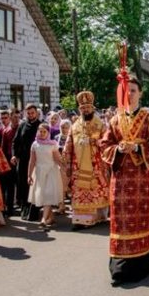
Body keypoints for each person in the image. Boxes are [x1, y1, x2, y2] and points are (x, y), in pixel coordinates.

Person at [100, 75, 149, 286]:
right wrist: (118, 149)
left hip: (143, 181)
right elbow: (104, 147)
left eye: (134, 90)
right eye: (125, 90)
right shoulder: (114, 120)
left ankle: (144, 258)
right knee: (122, 220)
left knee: (143, 217)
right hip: (121, 181)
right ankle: (121, 264)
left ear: (141, 93)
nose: (129, 94)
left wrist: (137, 147)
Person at [63, 91, 109, 230]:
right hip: (78, 166)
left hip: (96, 165)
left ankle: (98, 217)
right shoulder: (75, 125)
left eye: (88, 107)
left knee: (95, 191)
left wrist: (94, 141)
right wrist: (67, 163)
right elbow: (68, 144)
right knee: (79, 192)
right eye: (83, 108)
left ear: (92, 108)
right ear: (79, 109)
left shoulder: (100, 124)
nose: (85, 110)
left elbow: (107, 143)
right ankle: (80, 220)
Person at [28, 123, 64, 228]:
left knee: (48, 194)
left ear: (48, 132)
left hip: (51, 171)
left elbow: (58, 159)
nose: (42, 133)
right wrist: (29, 175)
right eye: (41, 131)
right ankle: (51, 218)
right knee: (43, 195)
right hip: (39, 171)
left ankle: (44, 219)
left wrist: (65, 167)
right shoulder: (35, 144)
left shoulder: (53, 144)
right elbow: (32, 161)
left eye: (44, 131)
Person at [12, 104, 42, 221]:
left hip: (37, 161)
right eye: (28, 113)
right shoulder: (22, 125)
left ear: (37, 113)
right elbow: (16, 141)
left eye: (32, 113)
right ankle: (25, 208)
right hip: (24, 160)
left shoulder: (41, 125)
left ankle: (34, 211)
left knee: (34, 185)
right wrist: (15, 155)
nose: (30, 115)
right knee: (23, 185)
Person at [0, 109, 20, 217]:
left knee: (21, 184)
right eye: (14, 117)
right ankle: (9, 208)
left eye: (18, 117)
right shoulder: (5, 131)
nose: (17, 119)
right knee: (9, 186)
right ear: (10, 117)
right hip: (8, 160)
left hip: (20, 159)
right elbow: (3, 147)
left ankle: (21, 204)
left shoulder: (22, 128)